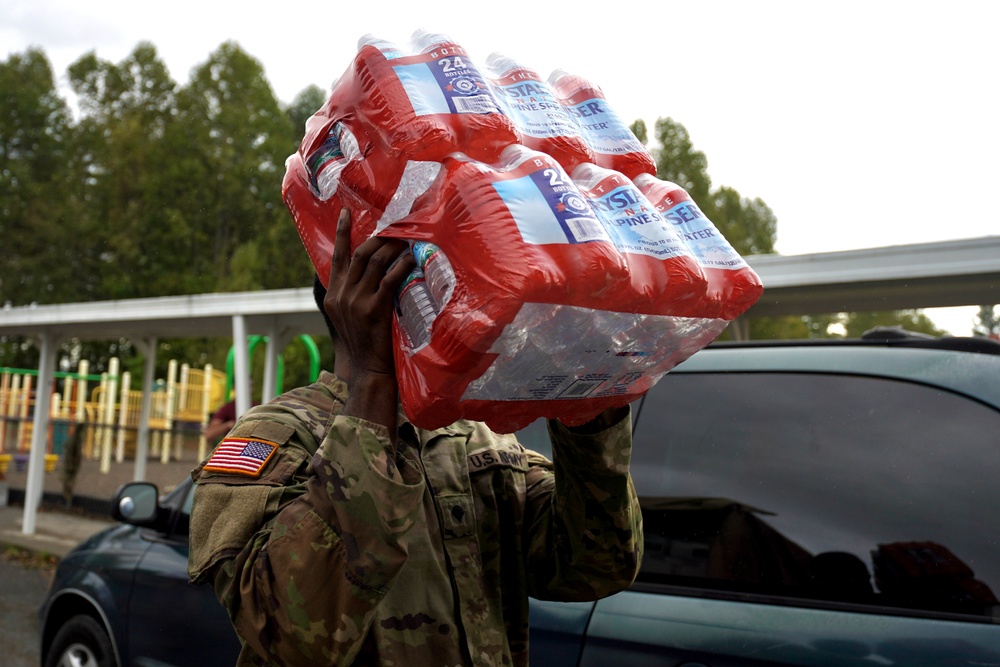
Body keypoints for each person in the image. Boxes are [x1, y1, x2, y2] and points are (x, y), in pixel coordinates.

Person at [187, 208, 643, 666]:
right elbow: (286, 633)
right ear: (348, 297)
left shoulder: (480, 442)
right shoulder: (276, 437)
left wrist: (588, 405)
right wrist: (371, 378)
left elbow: (594, 567)